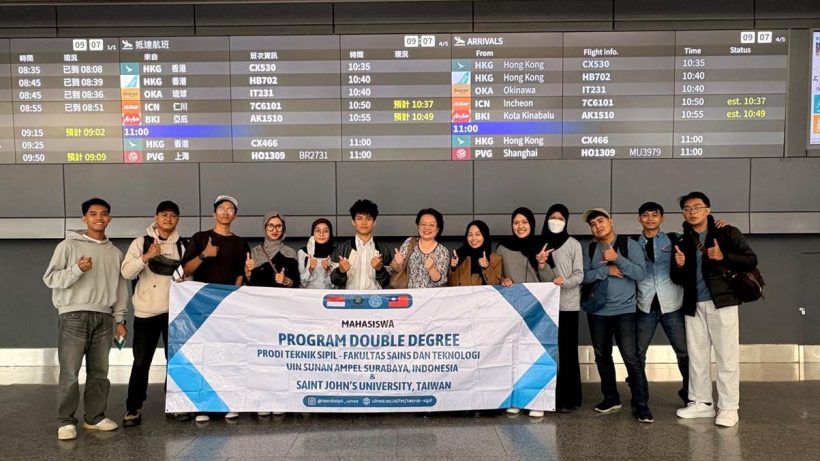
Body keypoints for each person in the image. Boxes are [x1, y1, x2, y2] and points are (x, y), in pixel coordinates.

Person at [43, 197, 128, 440]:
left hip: (104, 317)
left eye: (103, 214)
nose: (99, 218)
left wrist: (120, 319)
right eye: (93, 214)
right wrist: (77, 269)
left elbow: (121, 288)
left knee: (99, 372)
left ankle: (94, 417)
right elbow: (50, 279)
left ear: (109, 218)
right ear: (84, 218)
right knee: (70, 372)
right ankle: (65, 421)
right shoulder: (68, 246)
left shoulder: (115, 253)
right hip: (73, 315)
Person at [673, 192, 758, 427]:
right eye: (687, 209)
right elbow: (677, 278)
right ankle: (701, 403)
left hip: (722, 302)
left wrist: (723, 256)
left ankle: (729, 407)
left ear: (708, 210)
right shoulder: (683, 240)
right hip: (693, 305)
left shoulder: (727, 232)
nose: (692, 212)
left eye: (697, 207)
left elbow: (751, 260)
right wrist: (679, 266)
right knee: (697, 357)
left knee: (726, 356)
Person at [180, 195, 249, 422]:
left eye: (230, 209)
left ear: (235, 215)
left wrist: (231, 300)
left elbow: (240, 275)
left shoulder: (240, 243)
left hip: (228, 308)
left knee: (228, 355)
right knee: (204, 356)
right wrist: (204, 255)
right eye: (222, 208)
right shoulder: (200, 238)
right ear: (214, 213)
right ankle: (203, 406)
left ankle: (229, 402)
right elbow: (184, 270)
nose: (226, 212)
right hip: (201, 307)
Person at [581, 208, 652, 423]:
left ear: (610, 221)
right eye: (593, 224)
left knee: (631, 357)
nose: (597, 226)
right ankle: (611, 398)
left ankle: (641, 404)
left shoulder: (629, 245)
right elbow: (584, 277)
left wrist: (617, 259)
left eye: (600, 221)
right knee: (602, 355)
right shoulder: (590, 248)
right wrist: (606, 270)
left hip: (625, 312)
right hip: (597, 311)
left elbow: (640, 273)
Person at [121, 200, 187, 426]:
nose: (168, 219)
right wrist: (146, 256)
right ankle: (133, 407)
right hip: (146, 312)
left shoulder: (183, 245)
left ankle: (175, 404)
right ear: (156, 218)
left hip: (174, 314)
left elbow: (190, 277)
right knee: (141, 361)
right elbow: (126, 272)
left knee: (175, 361)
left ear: (178, 219)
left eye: (173, 215)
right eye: (164, 214)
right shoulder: (141, 242)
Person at [496, 207, 555, 417]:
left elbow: (550, 281)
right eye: (516, 223)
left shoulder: (541, 246)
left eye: (524, 222)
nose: (520, 226)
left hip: (538, 309)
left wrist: (542, 263)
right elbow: (496, 274)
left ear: (531, 224)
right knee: (514, 354)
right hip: (513, 308)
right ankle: (517, 399)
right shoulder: (503, 248)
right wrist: (502, 279)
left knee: (536, 353)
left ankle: (537, 401)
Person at [632, 202, 689, 408]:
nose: (650, 219)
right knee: (638, 355)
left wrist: (682, 264)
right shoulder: (631, 244)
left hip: (672, 305)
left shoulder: (674, 239)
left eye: (654, 215)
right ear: (639, 218)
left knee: (684, 352)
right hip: (644, 305)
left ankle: (690, 393)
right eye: (645, 215)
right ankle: (640, 399)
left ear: (661, 218)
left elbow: (698, 239)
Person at [541, 204, 584, 414]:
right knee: (548, 352)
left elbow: (579, 275)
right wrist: (542, 265)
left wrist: (564, 282)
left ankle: (569, 397)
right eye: (553, 217)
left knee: (568, 351)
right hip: (547, 306)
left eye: (560, 218)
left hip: (568, 306)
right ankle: (549, 395)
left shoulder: (573, 244)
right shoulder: (542, 245)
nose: (556, 221)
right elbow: (541, 278)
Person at [330, 199, 393, 289]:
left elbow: (387, 283)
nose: (364, 222)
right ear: (353, 221)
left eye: (368, 218)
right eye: (359, 218)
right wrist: (340, 271)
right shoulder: (342, 249)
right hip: (349, 297)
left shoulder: (383, 250)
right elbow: (333, 281)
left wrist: (380, 269)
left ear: (374, 222)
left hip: (375, 297)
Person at [391, 208, 449, 288]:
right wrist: (397, 263)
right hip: (410, 294)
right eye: (423, 224)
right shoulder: (409, 243)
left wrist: (431, 269)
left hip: (432, 295)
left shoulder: (442, 251)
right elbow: (395, 269)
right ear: (418, 226)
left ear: (438, 229)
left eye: (431, 225)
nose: (427, 227)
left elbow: (440, 281)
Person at [245, 212, 300, 288]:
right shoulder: (255, 252)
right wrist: (247, 271)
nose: (275, 230)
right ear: (264, 227)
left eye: (279, 226)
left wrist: (285, 280)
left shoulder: (289, 252)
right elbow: (248, 284)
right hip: (259, 295)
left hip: (280, 295)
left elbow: (296, 283)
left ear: (283, 229)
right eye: (270, 226)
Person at [447, 220, 502, 286]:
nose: (473, 238)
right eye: (470, 235)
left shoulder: (496, 259)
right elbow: (451, 285)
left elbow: (496, 285)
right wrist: (453, 268)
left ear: (484, 236)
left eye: (477, 234)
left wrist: (487, 267)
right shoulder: (458, 256)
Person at [297, 218, 336, 289]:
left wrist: (328, 270)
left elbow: (336, 284)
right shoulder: (303, 252)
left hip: (328, 294)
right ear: (313, 233)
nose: (321, 234)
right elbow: (301, 282)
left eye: (325, 231)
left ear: (330, 233)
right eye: (317, 231)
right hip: (308, 295)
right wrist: (310, 269)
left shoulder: (336, 252)